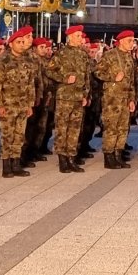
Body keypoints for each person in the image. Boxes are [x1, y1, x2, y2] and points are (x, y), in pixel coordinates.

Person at [0, 28, 38, 178]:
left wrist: (30, 104)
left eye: (23, 42)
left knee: (19, 135)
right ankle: (6, 166)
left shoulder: (28, 61)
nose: (22, 44)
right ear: (11, 44)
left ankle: (16, 164)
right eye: (18, 42)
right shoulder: (3, 61)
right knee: (7, 135)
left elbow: (31, 84)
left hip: (23, 104)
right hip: (8, 104)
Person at [49, 26, 93, 172]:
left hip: (78, 97)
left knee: (75, 129)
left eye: (81, 36)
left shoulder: (83, 55)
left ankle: (71, 158)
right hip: (65, 97)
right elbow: (49, 70)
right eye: (78, 36)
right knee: (62, 128)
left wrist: (86, 94)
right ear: (71, 37)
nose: (81, 38)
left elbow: (87, 77)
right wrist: (64, 79)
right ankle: (62, 158)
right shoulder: (61, 54)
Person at [94, 30, 137, 169]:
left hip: (125, 98)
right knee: (111, 128)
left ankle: (118, 155)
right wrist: (113, 76)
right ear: (122, 41)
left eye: (133, 40)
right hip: (112, 98)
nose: (132, 43)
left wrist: (132, 99)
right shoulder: (110, 55)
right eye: (130, 40)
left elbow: (131, 81)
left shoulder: (129, 58)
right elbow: (97, 71)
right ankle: (109, 157)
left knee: (123, 128)